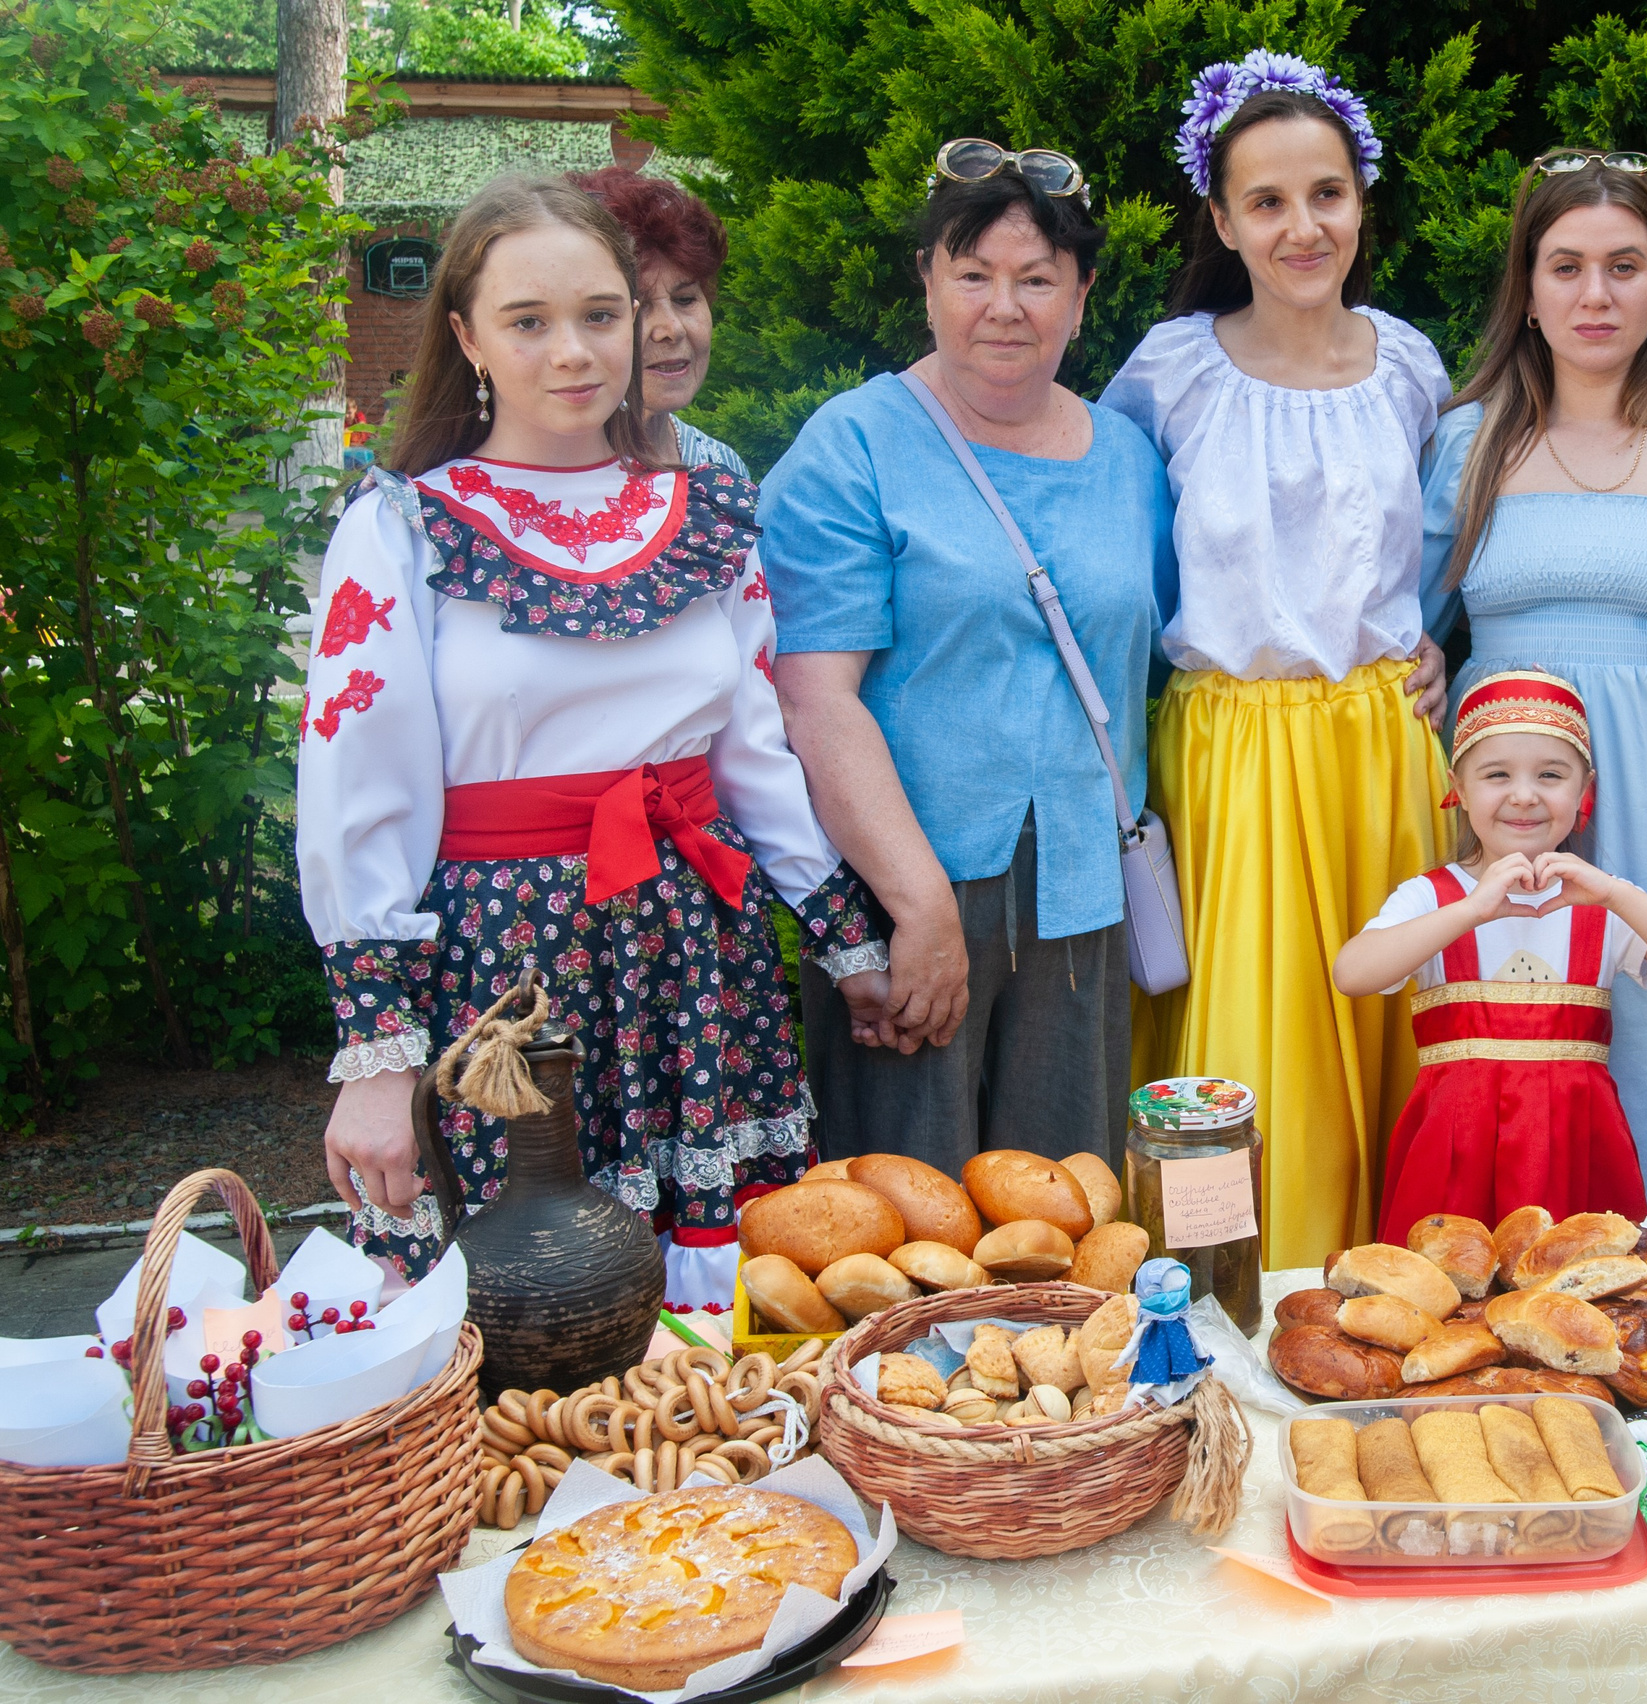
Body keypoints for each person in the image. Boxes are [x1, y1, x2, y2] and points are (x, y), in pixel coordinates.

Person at [298, 176, 878, 1306]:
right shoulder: (404, 529)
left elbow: (751, 744)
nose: (575, 351)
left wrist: (845, 939)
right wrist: (378, 1057)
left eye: (601, 315)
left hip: (701, 963)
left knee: (718, 1330)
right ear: (465, 336)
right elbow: (355, 786)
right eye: (529, 321)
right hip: (509, 983)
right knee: (534, 1310)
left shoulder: (705, 510)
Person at [759, 144, 1175, 1175]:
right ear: (928, 282)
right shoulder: (852, 445)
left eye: (1036, 279)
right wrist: (916, 905)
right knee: (904, 1208)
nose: (1004, 306)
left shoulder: (1130, 459)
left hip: (1083, 891)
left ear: (1080, 298)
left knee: (1066, 1206)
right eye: (973, 274)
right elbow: (816, 702)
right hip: (909, 888)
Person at [1101, 55, 1452, 1264]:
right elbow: (1113, 563)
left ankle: (1395, 1294)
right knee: (1254, 1054)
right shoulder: (1170, 370)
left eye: (1327, 194)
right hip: (1230, 753)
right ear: (1222, 217)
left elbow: (1440, 550)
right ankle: (1231, 1304)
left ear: (1363, 200)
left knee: (1400, 1034)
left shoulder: (1411, 367)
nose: (1302, 227)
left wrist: (1440, 648)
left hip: (1383, 754)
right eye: (1267, 201)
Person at [1417, 150, 1647, 1224]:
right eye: (1565, 265)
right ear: (1526, 289)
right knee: (1505, 1054)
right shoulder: (1468, 442)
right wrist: (1427, 658)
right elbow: (1406, 623)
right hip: (1509, 812)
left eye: (1624, 266)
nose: (1594, 294)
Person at [1338, 672, 1647, 1243]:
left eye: (1551, 775)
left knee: (1576, 1304)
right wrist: (1471, 911)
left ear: (1584, 790)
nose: (1524, 794)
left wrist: (1619, 895)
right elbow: (1352, 973)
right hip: (1454, 1157)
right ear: (1460, 787)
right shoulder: (1436, 899)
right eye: (1497, 775)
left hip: (1576, 1155)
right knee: (1447, 1309)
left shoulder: (1599, 897)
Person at [570, 166, 748, 478]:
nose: (672, 330)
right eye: (640, 305)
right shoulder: (529, 493)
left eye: (685, 299)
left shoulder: (722, 466)